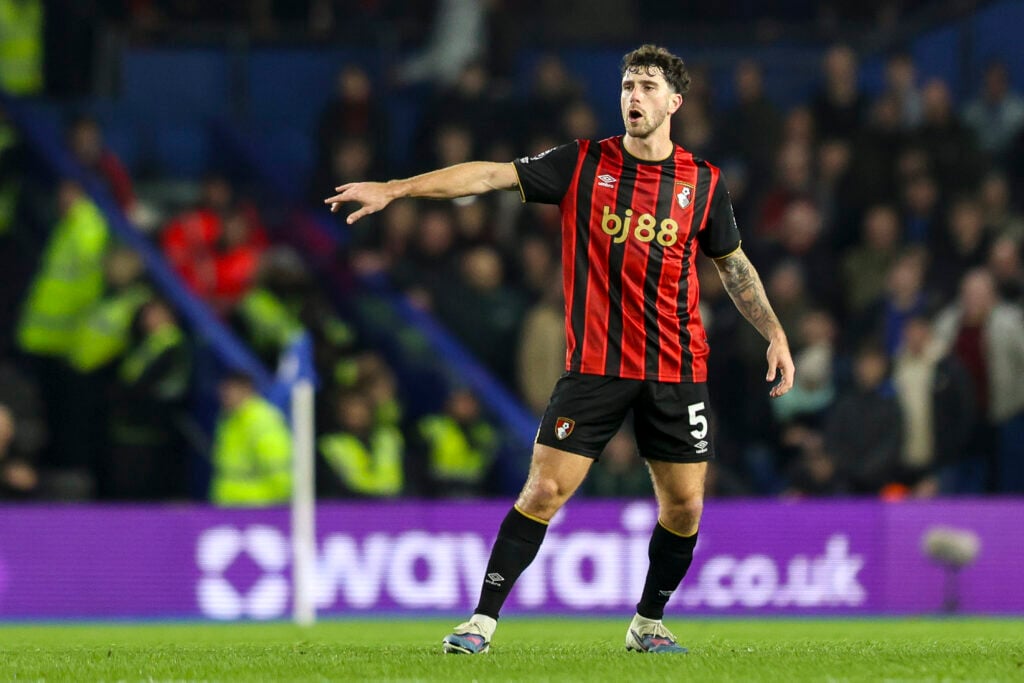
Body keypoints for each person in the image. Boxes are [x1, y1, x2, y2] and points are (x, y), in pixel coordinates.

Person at [325, 44, 795, 655]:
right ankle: (480, 624)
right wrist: (397, 189)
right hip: (595, 366)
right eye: (628, 85)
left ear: (675, 102)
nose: (634, 96)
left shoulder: (702, 183)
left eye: (648, 87)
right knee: (542, 492)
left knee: (684, 507)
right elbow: (489, 174)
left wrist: (776, 333)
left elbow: (733, 268)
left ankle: (648, 625)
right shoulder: (582, 164)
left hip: (677, 367)